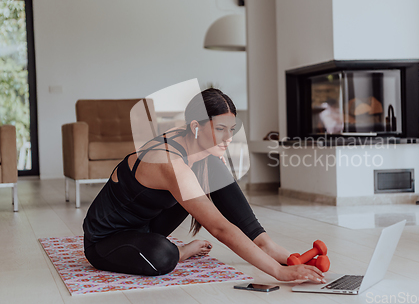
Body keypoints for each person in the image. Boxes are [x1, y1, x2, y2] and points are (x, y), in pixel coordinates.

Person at [82, 88, 326, 284]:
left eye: (231, 130)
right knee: (163, 255)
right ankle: (182, 251)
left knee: (212, 166)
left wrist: (290, 261)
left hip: (148, 225)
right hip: (107, 239)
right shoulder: (170, 164)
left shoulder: (190, 140)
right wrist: (278, 273)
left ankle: (267, 246)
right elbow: (220, 229)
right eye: (219, 130)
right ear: (196, 127)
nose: (227, 139)